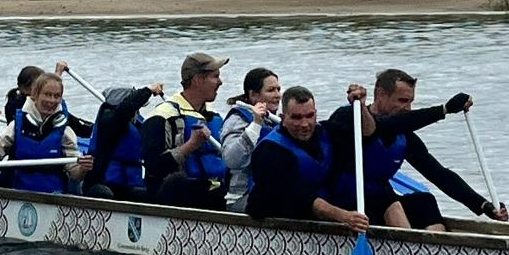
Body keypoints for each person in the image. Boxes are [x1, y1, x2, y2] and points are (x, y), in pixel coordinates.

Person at [326, 68, 509, 230]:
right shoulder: (349, 116)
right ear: (381, 94)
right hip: (341, 203)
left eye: (411, 101)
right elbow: (382, 127)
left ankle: (435, 250)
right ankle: (408, 250)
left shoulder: (404, 137)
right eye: (402, 100)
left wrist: (484, 205)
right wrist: (444, 110)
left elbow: (439, 175)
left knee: (424, 201)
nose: (408, 108)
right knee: (387, 199)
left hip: (378, 201)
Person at [246, 85, 371, 233]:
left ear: (316, 114)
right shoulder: (270, 151)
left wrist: (361, 107)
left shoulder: (325, 132)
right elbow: (301, 197)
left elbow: (368, 134)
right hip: (278, 223)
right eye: (296, 118)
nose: (305, 124)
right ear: (283, 119)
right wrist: (344, 217)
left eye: (309, 116)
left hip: (319, 214)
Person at [0, 72, 94, 192]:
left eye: (56, 96)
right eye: (47, 95)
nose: (52, 101)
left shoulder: (65, 131)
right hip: (18, 192)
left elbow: (74, 173)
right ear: (35, 94)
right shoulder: (17, 125)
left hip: (53, 195)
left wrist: (83, 169)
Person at [141, 52, 230, 210]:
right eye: (215, 76)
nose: (220, 82)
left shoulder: (214, 117)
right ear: (197, 80)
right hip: (173, 199)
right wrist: (191, 145)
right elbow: (154, 168)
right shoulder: (162, 117)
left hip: (213, 192)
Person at [84, 82, 164, 200]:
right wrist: (148, 90)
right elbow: (125, 110)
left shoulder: (136, 124)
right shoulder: (109, 122)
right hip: (106, 184)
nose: (137, 111)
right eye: (136, 109)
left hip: (129, 183)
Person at [220, 67, 282, 212]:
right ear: (253, 95)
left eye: (278, 89)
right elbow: (231, 159)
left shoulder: (276, 122)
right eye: (271, 90)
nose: (277, 95)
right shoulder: (237, 120)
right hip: (242, 198)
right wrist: (256, 124)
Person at [5, 62, 94, 138]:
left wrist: (58, 73)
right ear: (30, 88)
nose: (51, 101)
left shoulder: (15, 99)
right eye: (41, 85)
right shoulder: (23, 108)